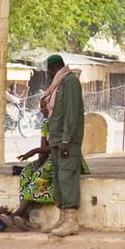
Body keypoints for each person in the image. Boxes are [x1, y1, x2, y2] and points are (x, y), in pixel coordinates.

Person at [0, 140, 91, 231]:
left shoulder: (62, 126)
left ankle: (19, 212)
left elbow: (62, 146)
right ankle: (25, 216)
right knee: (27, 172)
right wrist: (38, 165)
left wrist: (35, 151)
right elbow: (43, 148)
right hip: (51, 158)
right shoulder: (45, 126)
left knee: (40, 175)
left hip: (66, 157)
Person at [40, 54, 84, 237]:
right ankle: (63, 218)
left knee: (67, 178)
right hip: (56, 140)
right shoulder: (57, 85)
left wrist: (67, 140)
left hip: (67, 141)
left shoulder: (70, 82)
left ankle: (72, 221)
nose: (47, 75)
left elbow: (72, 113)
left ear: (53, 68)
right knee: (58, 179)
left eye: (48, 71)